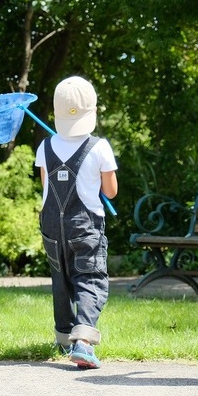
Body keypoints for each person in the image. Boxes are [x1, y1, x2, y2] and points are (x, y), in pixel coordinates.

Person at [34, 76, 119, 369]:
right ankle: (82, 342)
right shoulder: (99, 147)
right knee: (90, 279)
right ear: (92, 111)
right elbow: (110, 191)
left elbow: (46, 185)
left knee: (61, 278)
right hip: (85, 226)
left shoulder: (45, 146)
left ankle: (62, 337)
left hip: (52, 226)